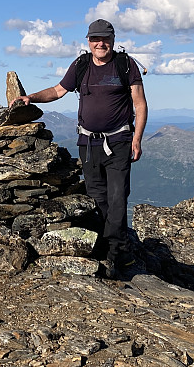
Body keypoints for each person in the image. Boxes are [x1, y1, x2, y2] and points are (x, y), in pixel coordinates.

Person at [11, 19, 148, 278]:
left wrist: (137, 139)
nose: (100, 43)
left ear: (113, 40)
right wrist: (31, 98)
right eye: (95, 39)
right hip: (88, 143)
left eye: (105, 39)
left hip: (119, 141)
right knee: (97, 198)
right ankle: (113, 245)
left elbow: (139, 104)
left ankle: (118, 257)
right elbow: (58, 90)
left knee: (118, 198)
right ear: (88, 41)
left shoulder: (125, 65)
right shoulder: (81, 65)